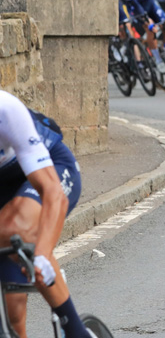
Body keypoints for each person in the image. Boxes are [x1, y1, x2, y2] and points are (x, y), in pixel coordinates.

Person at [0, 91, 95, 338]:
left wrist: (41, 254)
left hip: (49, 169)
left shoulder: (6, 109)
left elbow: (53, 193)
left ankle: (77, 332)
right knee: (12, 314)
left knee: (14, 227)